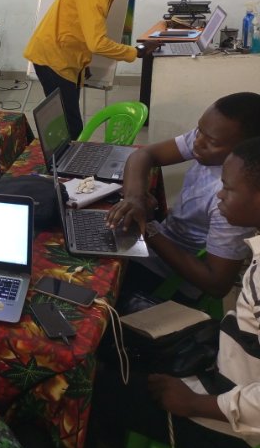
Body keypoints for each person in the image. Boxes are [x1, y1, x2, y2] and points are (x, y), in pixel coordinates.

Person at [92, 137, 260, 448]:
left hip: (231, 425)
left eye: (228, 188)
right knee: (113, 346)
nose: (220, 194)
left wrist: (196, 402)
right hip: (229, 368)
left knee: (92, 387)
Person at [107, 92, 260, 299]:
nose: (197, 142)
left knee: (93, 272)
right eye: (199, 131)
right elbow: (144, 154)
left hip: (173, 276)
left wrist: (150, 230)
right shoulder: (207, 141)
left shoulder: (234, 203)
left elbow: (216, 284)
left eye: (211, 141)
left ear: (245, 147)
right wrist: (134, 198)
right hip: (164, 238)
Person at [24, 0, 166, 139]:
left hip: (66, 58)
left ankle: (61, 163)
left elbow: (81, 30)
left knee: (67, 123)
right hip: (53, 57)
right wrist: (137, 52)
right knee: (71, 128)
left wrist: (83, 65)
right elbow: (97, 43)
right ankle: (62, 166)